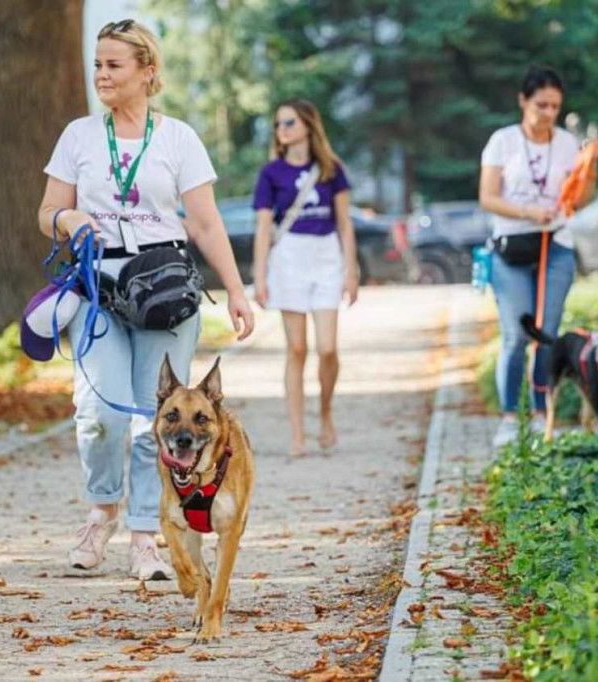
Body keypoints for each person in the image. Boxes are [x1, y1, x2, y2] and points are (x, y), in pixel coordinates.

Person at [37, 19, 254, 580]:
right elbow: (45, 213)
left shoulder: (178, 137)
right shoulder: (78, 136)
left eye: (114, 65)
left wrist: (235, 290)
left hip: (163, 293)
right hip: (99, 289)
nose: (102, 75)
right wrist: (68, 217)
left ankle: (144, 535)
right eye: (98, 64)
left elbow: (204, 223)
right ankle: (101, 509)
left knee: (153, 419)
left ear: (147, 71)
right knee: (98, 414)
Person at [479, 65, 598, 448]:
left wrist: (591, 164)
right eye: (541, 105)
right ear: (523, 100)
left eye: (554, 106)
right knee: (516, 335)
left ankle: (539, 413)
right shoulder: (502, 141)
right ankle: (508, 417)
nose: (548, 113)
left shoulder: (566, 142)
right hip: (513, 247)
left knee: (546, 336)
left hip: (557, 245)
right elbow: (488, 197)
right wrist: (529, 213)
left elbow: (579, 199)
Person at [251, 99, 359, 457]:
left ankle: (325, 412)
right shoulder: (271, 174)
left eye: (289, 122)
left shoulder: (331, 170)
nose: (282, 129)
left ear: (309, 127)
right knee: (296, 349)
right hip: (289, 258)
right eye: (279, 123)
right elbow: (264, 227)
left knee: (328, 348)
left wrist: (351, 269)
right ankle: (297, 434)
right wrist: (260, 274)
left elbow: (345, 222)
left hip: (326, 254)